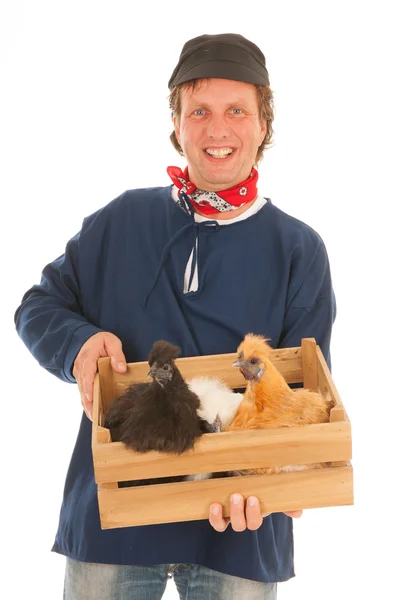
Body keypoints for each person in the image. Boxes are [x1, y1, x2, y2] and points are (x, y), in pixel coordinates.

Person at [15, 33, 336, 600]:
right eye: (199, 112)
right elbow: (38, 306)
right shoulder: (121, 220)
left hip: (241, 530)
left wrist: (280, 480)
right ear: (178, 124)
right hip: (114, 518)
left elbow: (306, 396)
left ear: (263, 124)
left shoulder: (298, 248)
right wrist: (80, 345)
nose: (218, 130)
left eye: (237, 111)